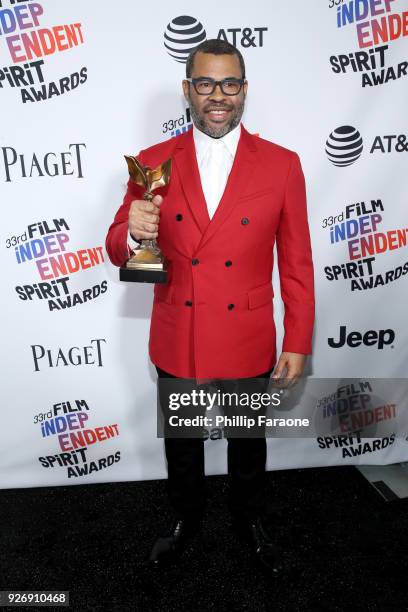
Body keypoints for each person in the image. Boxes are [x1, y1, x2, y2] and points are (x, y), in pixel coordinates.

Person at [105, 39, 315, 574]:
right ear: (188, 90)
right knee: (183, 444)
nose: (217, 96)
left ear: (244, 90)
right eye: (205, 84)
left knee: (248, 444)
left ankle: (250, 520)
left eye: (228, 84)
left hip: (246, 332)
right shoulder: (151, 163)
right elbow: (116, 245)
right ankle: (184, 519)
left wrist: (297, 340)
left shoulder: (283, 165)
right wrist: (130, 230)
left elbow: (296, 264)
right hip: (180, 328)